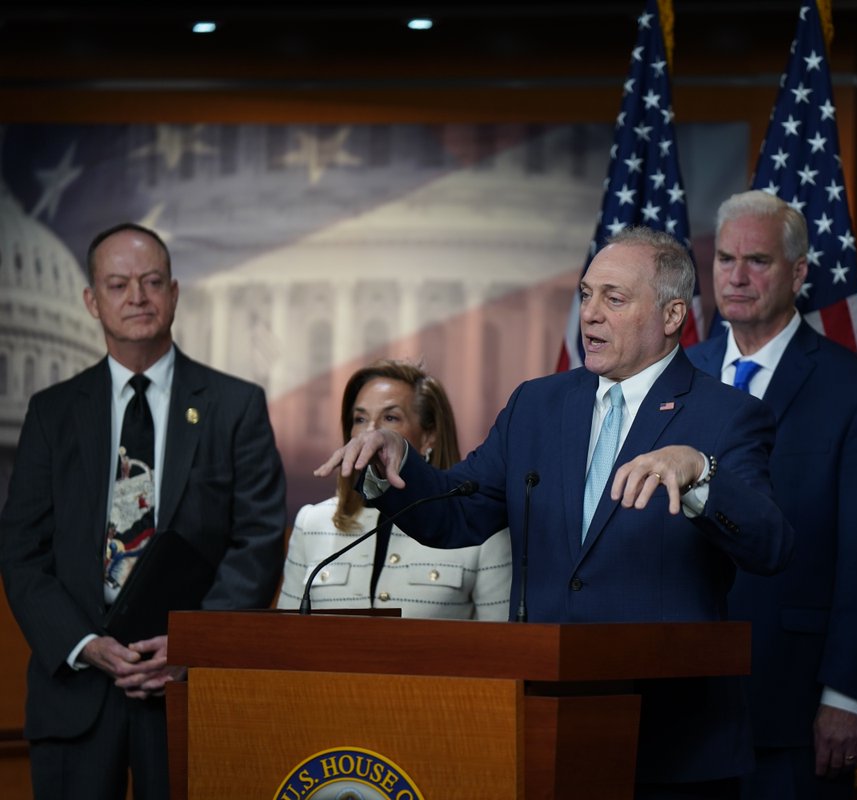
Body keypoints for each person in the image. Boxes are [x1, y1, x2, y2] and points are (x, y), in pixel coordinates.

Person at [317, 226, 794, 797]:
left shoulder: (726, 415)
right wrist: (395, 460)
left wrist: (701, 474)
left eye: (614, 299)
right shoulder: (536, 404)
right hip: (544, 725)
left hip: (671, 740)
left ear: (672, 315)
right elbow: (454, 513)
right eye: (586, 295)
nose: (590, 314)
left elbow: (772, 546)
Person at [0, 222, 286, 800]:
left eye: (152, 282)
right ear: (92, 300)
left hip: (189, 689)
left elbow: (258, 540)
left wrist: (191, 645)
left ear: (174, 294)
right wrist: (82, 643)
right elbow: (22, 550)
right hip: (75, 691)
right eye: (118, 284)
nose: (137, 297)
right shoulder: (52, 413)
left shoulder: (236, 406)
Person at [687, 191, 857, 799]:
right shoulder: (678, 374)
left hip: (794, 699)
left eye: (757, 260)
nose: (736, 276)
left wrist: (846, 696)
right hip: (679, 694)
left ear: (798, 272)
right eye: (725, 259)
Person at [277, 360, 510, 618]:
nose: (370, 432)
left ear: (429, 436)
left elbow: (500, 636)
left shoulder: (479, 529)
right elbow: (285, 633)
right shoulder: (311, 522)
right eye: (360, 419)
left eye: (390, 418)